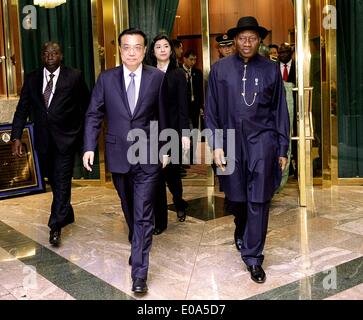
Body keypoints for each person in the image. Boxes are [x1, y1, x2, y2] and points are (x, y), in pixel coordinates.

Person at [205, 16, 290, 284]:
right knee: (238, 198)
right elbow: (211, 111)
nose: (247, 43)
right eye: (242, 38)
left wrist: (283, 147)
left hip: (262, 142)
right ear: (235, 40)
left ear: (259, 41)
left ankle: (253, 258)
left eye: (252, 38)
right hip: (230, 141)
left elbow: (280, 111)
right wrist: (216, 144)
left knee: (259, 199)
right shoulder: (219, 70)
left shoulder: (270, 69)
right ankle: (240, 225)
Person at [82, 28, 168, 294]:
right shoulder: (106, 79)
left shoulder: (157, 78)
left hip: (147, 155)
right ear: (120, 50)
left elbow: (164, 115)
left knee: (143, 213)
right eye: (126, 47)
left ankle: (139, 272)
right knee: (129, 207)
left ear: (144, 51)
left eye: (137, 47)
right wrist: (89, 147)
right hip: (118, 155)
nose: (132, 52)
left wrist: (166, 148)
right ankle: (136, 241)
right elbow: (94, 114)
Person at [11, 42, 90, 247]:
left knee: (62, 180)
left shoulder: (74, 76)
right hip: (44, 141)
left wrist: (81, 133)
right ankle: (67, 211)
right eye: (46, 53)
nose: (50, 56)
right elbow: (22, 109)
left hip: (67, 139)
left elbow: (86, 105)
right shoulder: (32, 79)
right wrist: (16, 137)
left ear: (61, 55)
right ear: (42, 56)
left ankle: (55, 226)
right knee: (53, 180)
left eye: (54, 52)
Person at [146, 34, 190, 234]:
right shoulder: (146, 73)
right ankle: (160, 221)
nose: (162, 49)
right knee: (155, 176)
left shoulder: (178, 74)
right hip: (151, 131)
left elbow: (183, 107)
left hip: (172, 130)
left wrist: (185, 134)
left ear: (171, 51)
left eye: (166, 46)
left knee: (172, 174)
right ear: (152, 51)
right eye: (158, 46)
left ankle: (179, 202)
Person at [278, 43, 297, 178]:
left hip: (297, 107)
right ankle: (286, 167)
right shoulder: (273, 67)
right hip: (279, 109)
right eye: (280, 52)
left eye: (285, 52)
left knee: (295, 136)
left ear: (291, 53)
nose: (282, 55)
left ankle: (297, 167)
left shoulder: (298, 66)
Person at [182, 49, 204, 164]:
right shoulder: (179, 72)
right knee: (185, 132)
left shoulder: (197, 73)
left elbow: (200, 92)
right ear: (184, 59)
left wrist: (201, 106)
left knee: (194, 132)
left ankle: (192, 157)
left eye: (195, 59)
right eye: (191, 59)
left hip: (194, 107)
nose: (193, 62)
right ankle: (183, 157)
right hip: (183, 108)